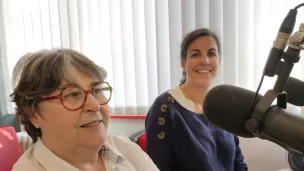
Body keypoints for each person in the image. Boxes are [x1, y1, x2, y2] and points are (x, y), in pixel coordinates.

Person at [11, 49, 159, 171]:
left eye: (97, 90)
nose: (94, 105)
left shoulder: (125, 149)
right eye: (73, 94)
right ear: (33, 115)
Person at [145, 28, 248, 171]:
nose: (205, 61)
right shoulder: (164, 108)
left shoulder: (224, 107)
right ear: (183, 63)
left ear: (219, 61)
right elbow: (157, 168)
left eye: (211, 54)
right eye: (195, 54)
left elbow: (238, 163)